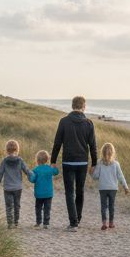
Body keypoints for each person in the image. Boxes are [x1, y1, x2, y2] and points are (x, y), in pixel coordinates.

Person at [50, 95, 98, 231]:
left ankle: (73, 222)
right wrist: (94, 163)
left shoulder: (64, 121)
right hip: (82, 162)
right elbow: (93, 145)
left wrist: (53, 160)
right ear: (84, 106)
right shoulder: (89, 123)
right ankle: (78, 219)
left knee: (69, 192)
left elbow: (57, 143)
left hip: (68, 162)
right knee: (80, 191)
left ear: (72, 106)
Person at [0, 139, 33, 228]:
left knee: (8, 206)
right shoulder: (20, 160)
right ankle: (16, 222)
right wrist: (33, 176)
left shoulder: (4, 161)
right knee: (17, 205)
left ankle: (9, 223)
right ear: (17, 149)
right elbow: (27, 171)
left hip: (7, 188)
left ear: (7, 150)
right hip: (18, 188)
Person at [90, 142, 129, 230]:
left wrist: (90, 172)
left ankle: (104, 223)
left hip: (103, 188)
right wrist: (125, 187)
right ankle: (111, 223)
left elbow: (95, 176)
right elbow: (121, 176)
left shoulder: (99, 163)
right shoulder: (116, 164)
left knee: (103, 206)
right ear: (113, 153)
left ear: (102, 152)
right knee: (111, 206)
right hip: (113, 188)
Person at [30, 150, 59, 228]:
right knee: (47, 208)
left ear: (37, 160)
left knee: (38, 208)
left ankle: (38, 222)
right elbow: (56, 172)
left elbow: (32, 180)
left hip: (39, 194)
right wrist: (54, 166)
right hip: (48, 193)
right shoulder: (50, 169)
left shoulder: (36, 170)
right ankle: (46, 223)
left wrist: (29, 175)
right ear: (47, 160)